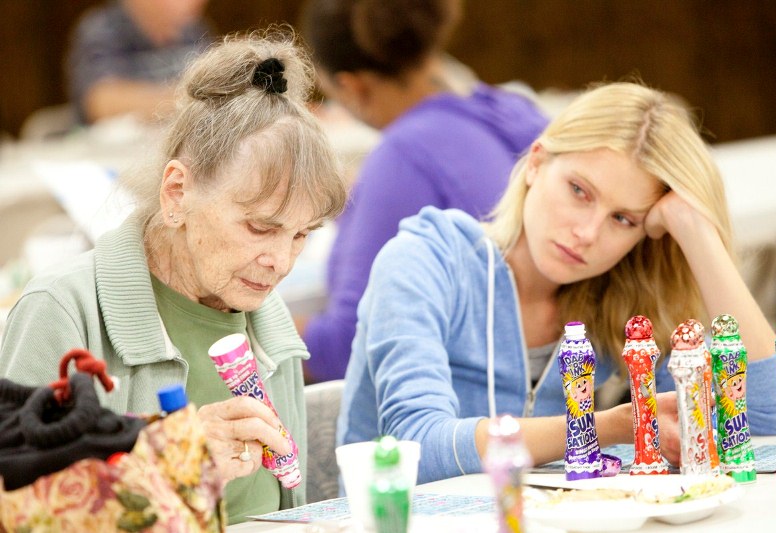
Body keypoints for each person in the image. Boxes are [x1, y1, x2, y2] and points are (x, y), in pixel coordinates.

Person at [337, 81, 776, 484]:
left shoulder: (625, 290)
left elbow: (768, 423)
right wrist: (602, 427)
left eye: (623, 218)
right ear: (536, 163)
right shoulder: (428, 257)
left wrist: (696, 232)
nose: (587, 234)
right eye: (579, 190)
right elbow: (417, 447)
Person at [1, 29, 347, 523]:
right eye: (259, 227)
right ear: (177, 193)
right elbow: (19, 512)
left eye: (301, 235)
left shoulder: (269, 326)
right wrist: (169, 461)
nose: (281, 262)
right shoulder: (62, 313)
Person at [297, 0, 549, 382]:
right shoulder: (513, 112)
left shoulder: (404, 157)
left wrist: (246, 324)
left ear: (352, 87)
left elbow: (349, 350)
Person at [66, 0, 214, 124]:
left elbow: (214, 83)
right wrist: (184, 100)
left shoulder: (193, 31)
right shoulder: (103, 30)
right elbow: (100, 102)